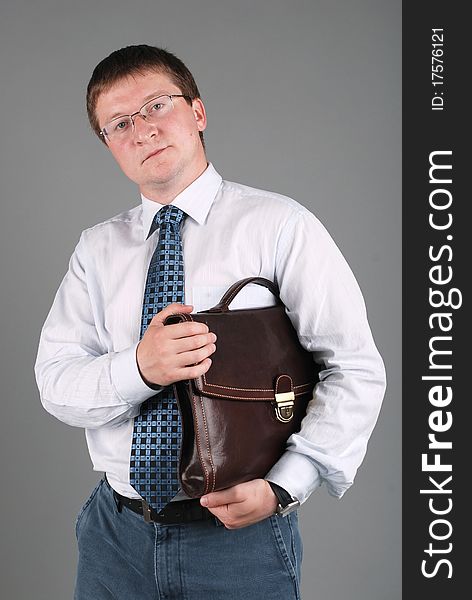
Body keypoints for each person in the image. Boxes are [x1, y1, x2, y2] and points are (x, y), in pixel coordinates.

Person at [35, 44, 386, 600]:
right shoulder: (96, 250)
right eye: (119, 123)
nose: (142, 130)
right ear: (108, 146)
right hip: (115, 535)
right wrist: (140, 369)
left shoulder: (279, 226)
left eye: (156, 106)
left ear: (197, 112)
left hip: (237, 541)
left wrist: (285, 487)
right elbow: (55, 382)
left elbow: (354, 368)